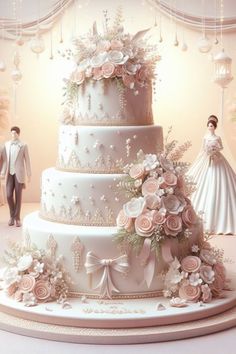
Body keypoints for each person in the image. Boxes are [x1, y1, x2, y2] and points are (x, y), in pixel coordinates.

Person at [187, 115, 236, 235]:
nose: (210, 127)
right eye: (209, 125)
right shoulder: (205, 137)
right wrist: (208, 153)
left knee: (223, 182)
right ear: (207, 126)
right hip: (208, 160)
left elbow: (221, 147)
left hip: (218, 160)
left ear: (215, 127)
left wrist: (215, 151)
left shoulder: (218, 137)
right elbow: (203, 149)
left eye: (212, 126)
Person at [0, 126, 31, 227]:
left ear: (18, 134)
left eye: (15, 133)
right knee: (9, 195)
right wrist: (3, 172)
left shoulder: (23, 145)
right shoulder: (7, 145)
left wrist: (29, 174)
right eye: (12, 133)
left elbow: (27, 161)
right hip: (10, 174)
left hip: (19, 174)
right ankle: (12, 215)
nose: (13, 135)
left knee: (18, 196)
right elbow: (5, 161)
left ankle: (17, 218)